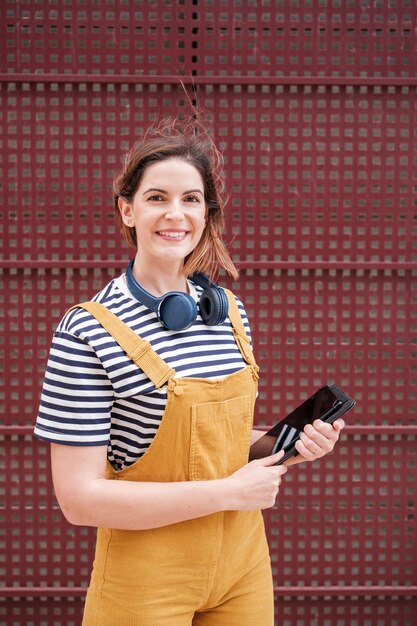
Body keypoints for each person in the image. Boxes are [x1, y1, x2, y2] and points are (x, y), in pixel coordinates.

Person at [34, 116, 345, 626]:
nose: (175, 214)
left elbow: (212, 449)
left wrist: (286, 446)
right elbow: (79, 499)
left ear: (207, 214)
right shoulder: (87, 330)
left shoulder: (230, 313)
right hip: (146, 578)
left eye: (191, 199)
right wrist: (227, 493)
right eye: (157, 197)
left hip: (242, 569)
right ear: (127, 209)